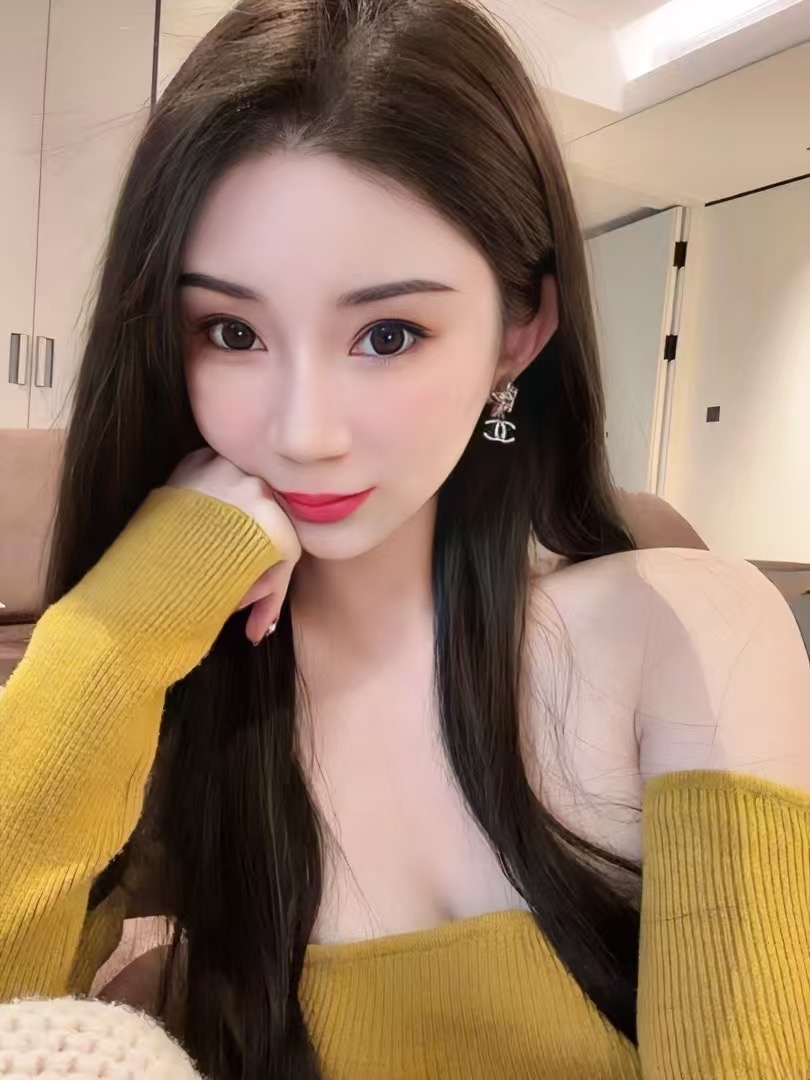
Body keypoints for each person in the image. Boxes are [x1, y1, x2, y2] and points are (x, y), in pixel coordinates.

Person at [0, 1, 807, 1078]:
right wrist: (124, 619)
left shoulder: (685, 635)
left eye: (388, 334)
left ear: (518, 333)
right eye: (231, 332)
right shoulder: (179, 689)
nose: (303, 432)